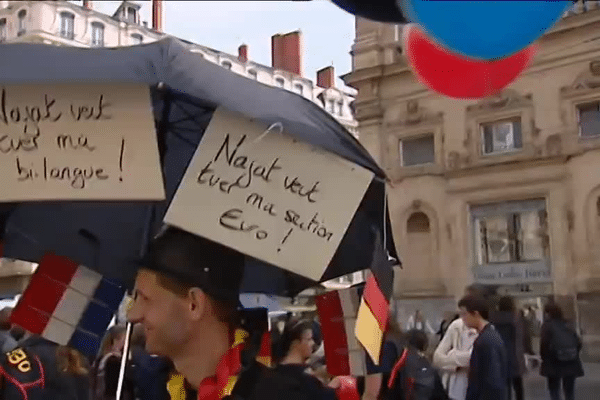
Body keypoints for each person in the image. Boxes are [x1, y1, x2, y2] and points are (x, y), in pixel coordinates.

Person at [127, 226, 314, 400]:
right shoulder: (150, 390)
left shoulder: (282, 395)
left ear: (194, 304)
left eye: (145, 299)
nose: (132, 315)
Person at [433, 286, 481, 400]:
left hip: (477, 389)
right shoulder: (456, 326)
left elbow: (476, 358)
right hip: (456, 390)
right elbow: (437, 357)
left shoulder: (485, 329)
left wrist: (453, 355)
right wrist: (457, 365)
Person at [458, 294, 507, 400]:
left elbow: (492, 379)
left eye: (464, 314)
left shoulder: (485, 341)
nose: (462, 319)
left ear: (475, 314)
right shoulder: (490, 335)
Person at [275, 319, 336, 400]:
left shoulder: (274, 373)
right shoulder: (305, 380)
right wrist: (336, 383)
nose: (313, 343)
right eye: (309, 339)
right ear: (295, 344)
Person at [539, 302, 584, 400]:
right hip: (571, 361)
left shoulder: (547, 325)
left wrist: (544, 358)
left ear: (547, 313)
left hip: (553, 362)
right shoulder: (568, 324)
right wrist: (571, 352)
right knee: (569, 392)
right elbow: (578, 343)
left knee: (554, 390)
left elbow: (544, 345)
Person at [490, 296, 527, 400]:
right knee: (518, 385)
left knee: (505, 386)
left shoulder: (493, 318)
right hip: (514, 354)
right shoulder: (515, 317)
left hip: (499, 355)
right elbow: (520, 338)